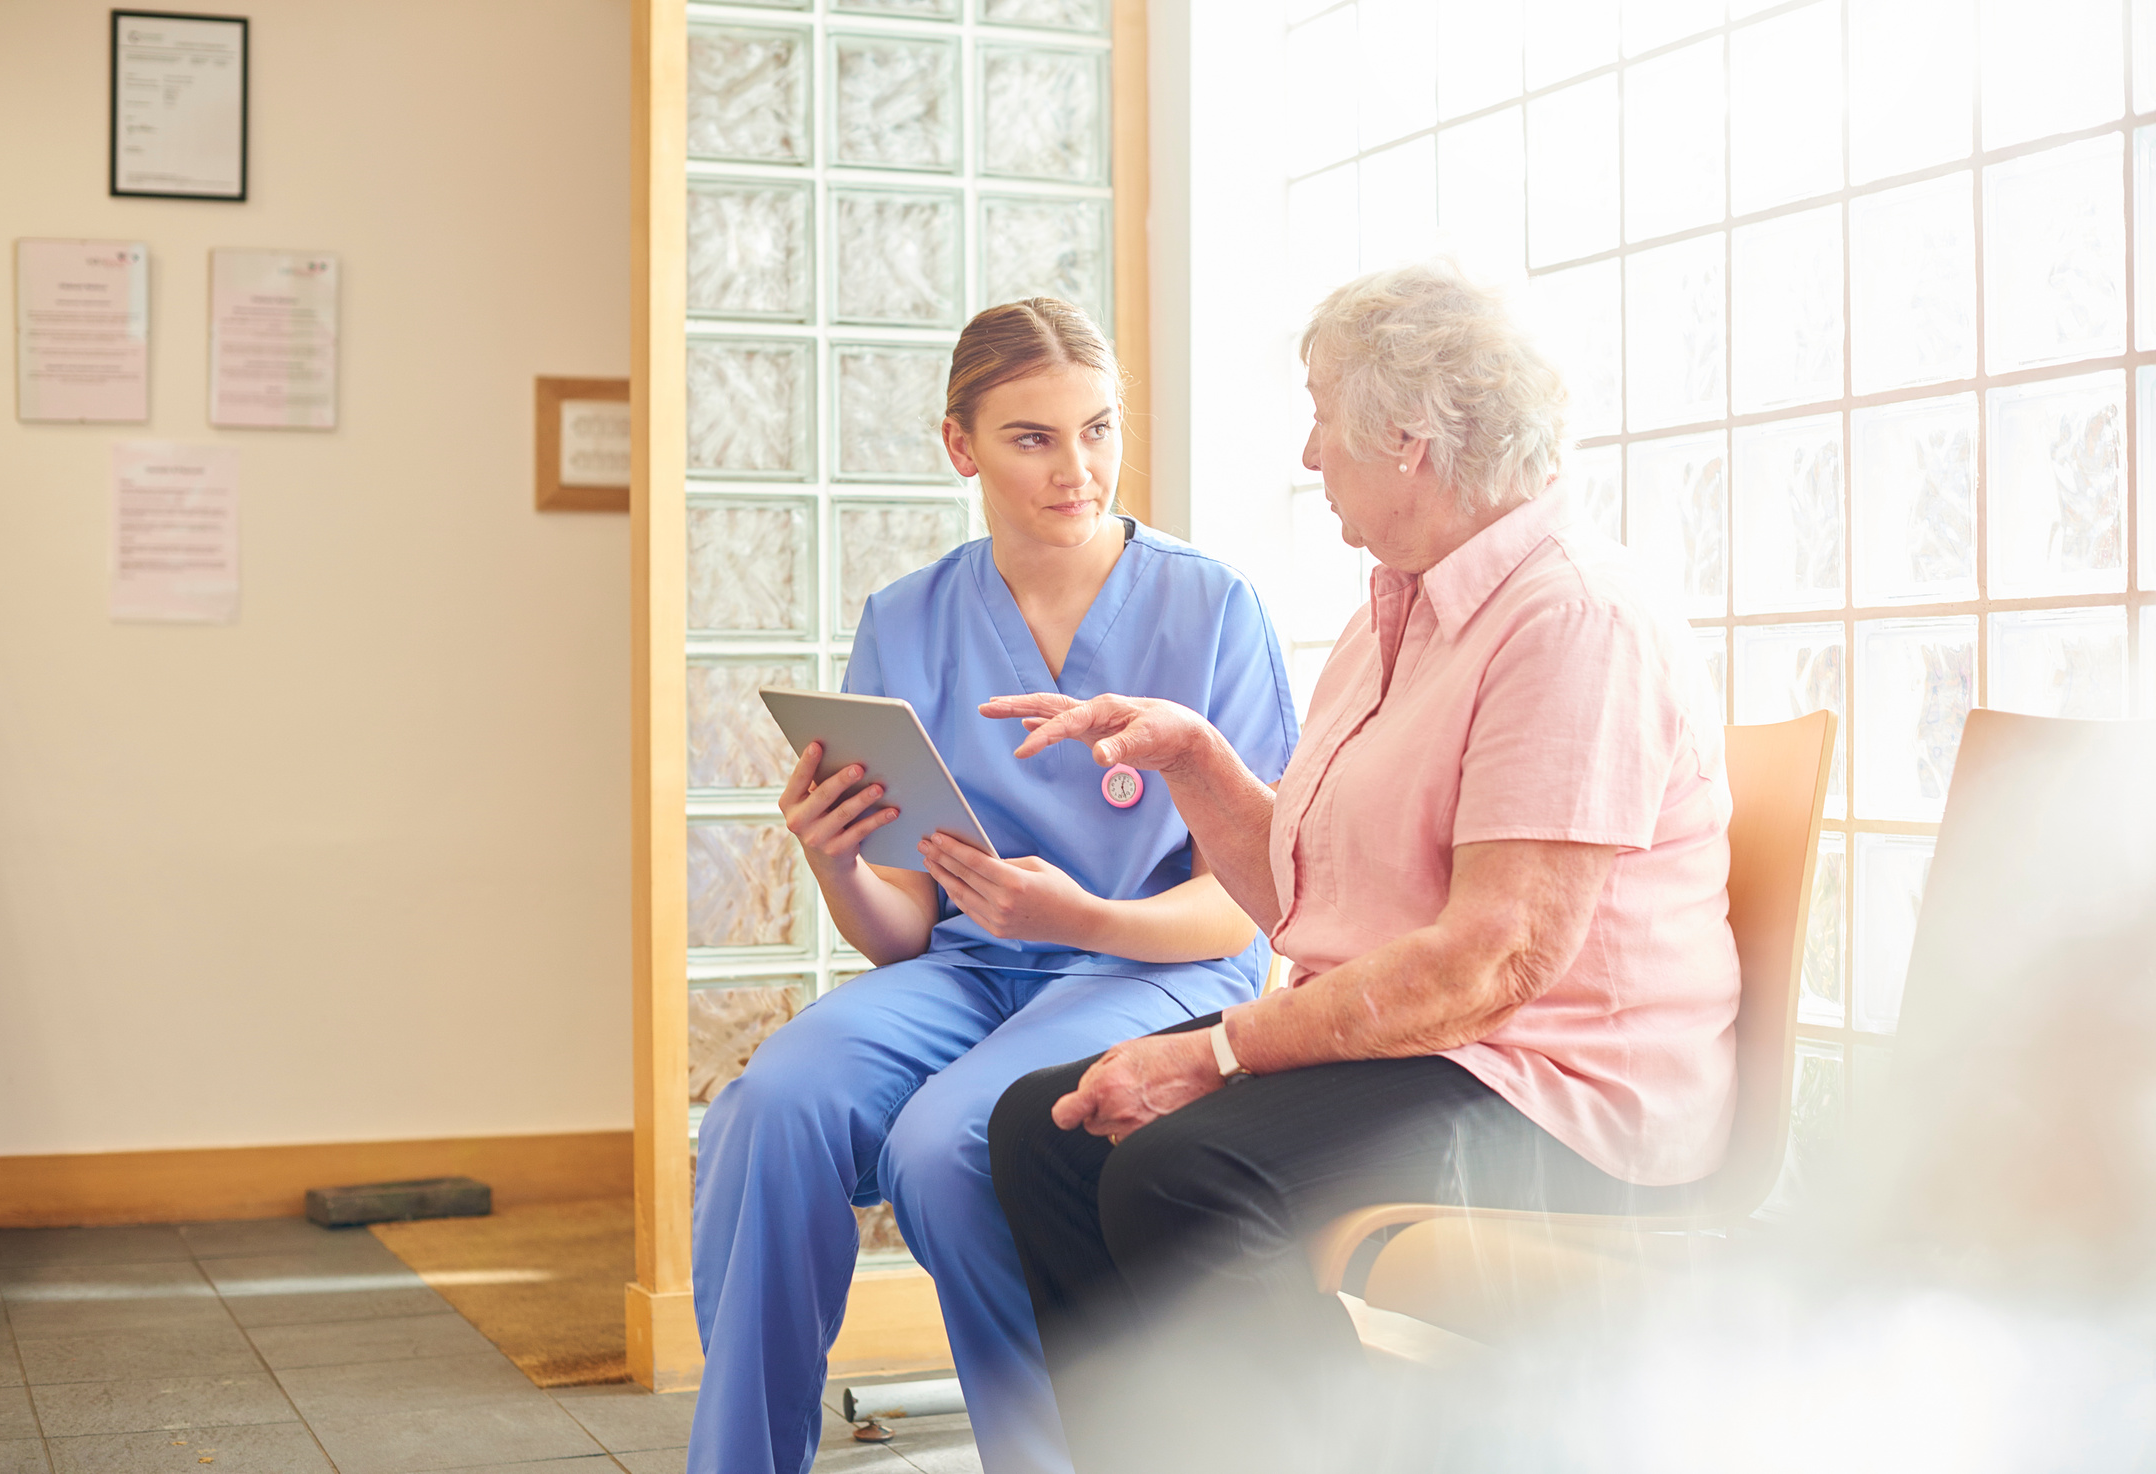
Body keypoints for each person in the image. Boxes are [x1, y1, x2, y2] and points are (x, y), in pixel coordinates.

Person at [984, 259, 1740, 1473]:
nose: (1307, 449)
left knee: (1177, 1173)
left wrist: (1212, 1050)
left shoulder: (1575, 618)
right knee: (1048, 1127)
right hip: (1439, 1050)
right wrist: (1198, 763)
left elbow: (1489, 965)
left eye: (1323, 412)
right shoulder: (1398, 612)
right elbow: (1316, 909)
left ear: (1408, 440)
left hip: (1559, 1094)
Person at [686, 298, 1300, 1474]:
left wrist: (1075, 917)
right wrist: (832, 856)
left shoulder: (1212, 608)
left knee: (946, 1143)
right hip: (973, 972)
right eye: (1033, 438)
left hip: (1156, 967)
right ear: (960, 446)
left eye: (1099, 429)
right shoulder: (907, 620)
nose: (1078, 469)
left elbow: (1256, 904)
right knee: (768, 1109)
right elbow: (907, 929)